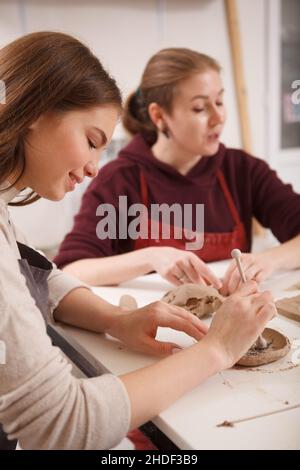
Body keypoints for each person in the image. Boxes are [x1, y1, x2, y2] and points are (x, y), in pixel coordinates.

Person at [0, 32, 276, 450]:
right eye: (92, 141)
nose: (94, 167)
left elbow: (41, 273)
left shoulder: (242, 168)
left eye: (221, 102)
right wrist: (216, 349)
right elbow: (60, 421)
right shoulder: (123, 177)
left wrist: (115, 319)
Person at [54, 48, 300, 293]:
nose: (218, 118)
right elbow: (72, 270)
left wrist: (270, 260)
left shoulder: (243, 170)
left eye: (220, 102)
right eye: (200, 108)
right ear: (159, 115)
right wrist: (151, 258)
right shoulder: (118, 180)